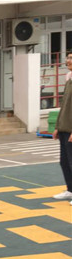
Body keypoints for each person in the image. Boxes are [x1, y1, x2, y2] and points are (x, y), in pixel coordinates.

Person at [52, 50, 72, 204]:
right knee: (64, 162)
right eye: (68, 58)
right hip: (64, 128)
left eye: (71, 58)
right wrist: (58, 126)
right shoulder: (68, 79)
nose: (68, 60)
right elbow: (64, 105)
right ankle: (70, 189)